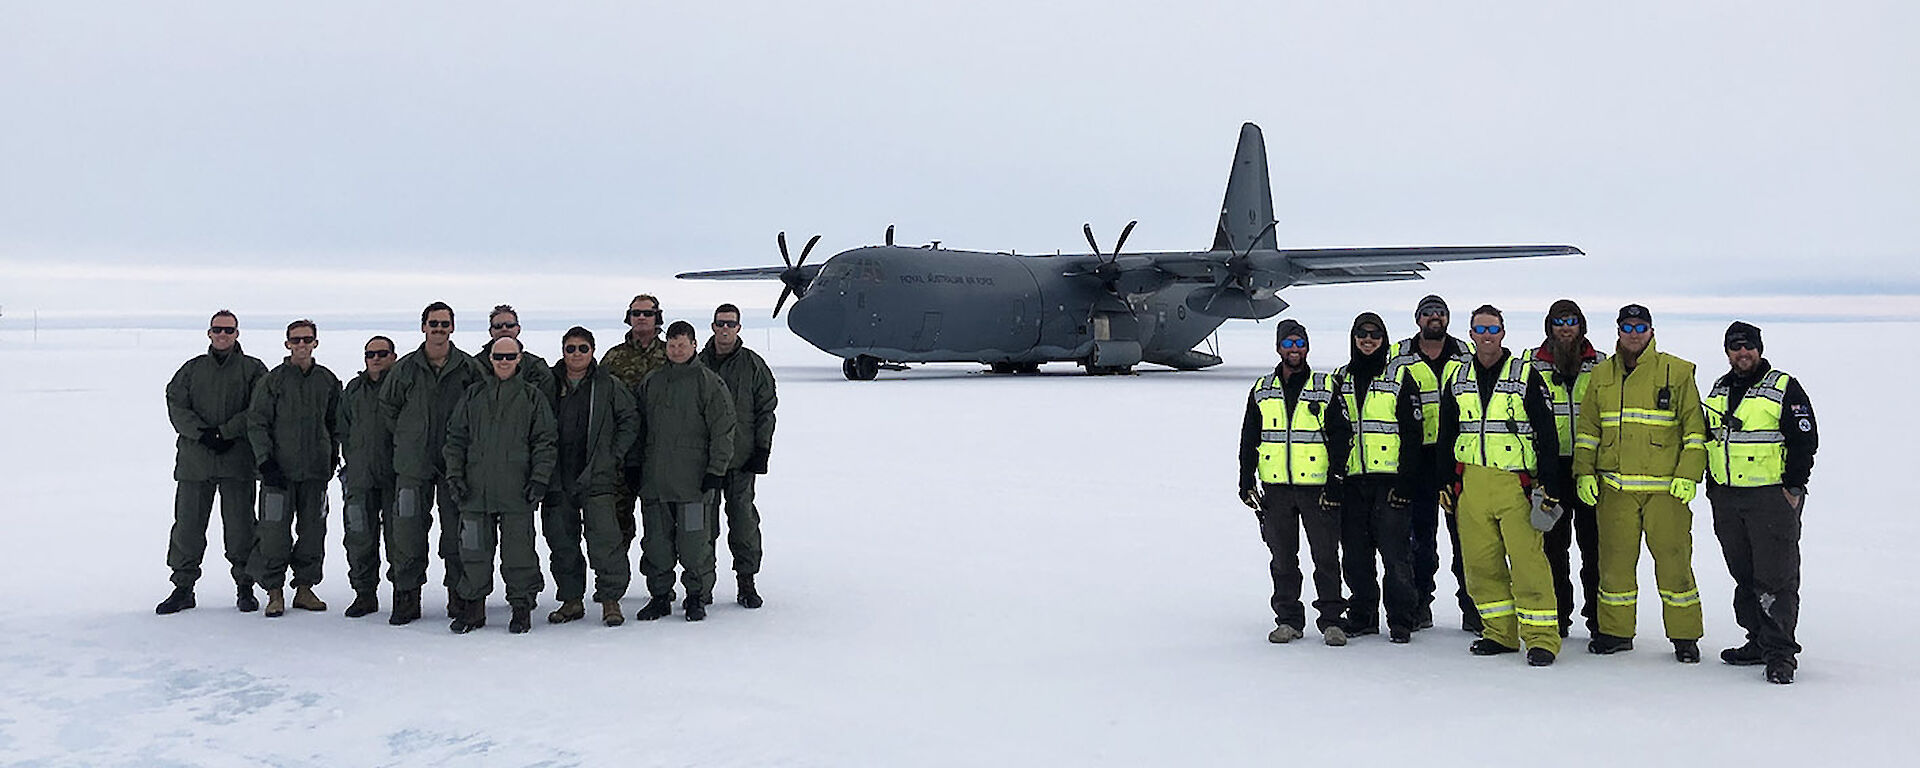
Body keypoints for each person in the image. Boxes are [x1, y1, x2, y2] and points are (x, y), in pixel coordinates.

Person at [1573, 304, 1708, 662]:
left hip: (1665, 492)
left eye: (1640, 327)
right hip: (1615, 491)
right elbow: (1588, 431)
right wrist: (1583, 472)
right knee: (1614, 567)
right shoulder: (1601, 375)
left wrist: (1688, 474)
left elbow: (1695, 431)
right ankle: (1615, 633)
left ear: (1651, 331)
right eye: (1627, 327)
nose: (1634, 333)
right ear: (1618, 331)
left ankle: (1685, 637)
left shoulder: (1677, 371)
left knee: (1675, 565)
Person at [1436, 306, 1566, 666]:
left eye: (1493, 329)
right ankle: (1499, 633)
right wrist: (1445, 480)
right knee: (1481, 565)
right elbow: (1447, 432)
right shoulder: (1457, 377)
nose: (1487, 335)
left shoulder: (1524, 374)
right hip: (1472, 485)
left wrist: (1550, 484)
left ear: (1503, 333)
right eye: (1480, 329)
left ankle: (1541, 639)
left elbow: (1546, 433)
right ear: (1471, 334)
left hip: (1516, 484)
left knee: (1528, 564)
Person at [1704, 321, 1818, 684]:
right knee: (1745, 574)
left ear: (1759, 349)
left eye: (1749, 346)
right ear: (1727, 352)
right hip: (1727, 498)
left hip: (1770, 498)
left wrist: (1794, 487)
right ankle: (1756, 640)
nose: (1743, 353)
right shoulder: (1720, 388)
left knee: (1776, 577)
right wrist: (1713, 486)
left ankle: (1780, 654)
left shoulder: (1783, 387)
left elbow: (1805, 439)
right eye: (1736, 347)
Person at [1237, 319, 1349, 646]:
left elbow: (1342, 437)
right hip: (1276, 489)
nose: (1294, 349)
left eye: (1299, 343)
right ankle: (1288, 619)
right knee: (1283, 558)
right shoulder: (1262, 389)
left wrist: (1336, 480)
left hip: (1317, 488)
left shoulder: (1324, 386)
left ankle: (1332, 621)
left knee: (1325, 557)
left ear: (1307, 347)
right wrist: (1246, 479)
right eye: (1288, 343)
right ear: (1278, 348)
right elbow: (1249, 438)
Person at [379, 301, 487, 625]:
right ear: (423, 327)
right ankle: (406, 597)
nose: (439, 329)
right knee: (407, 532)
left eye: (444, 323)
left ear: (452, 327)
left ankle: (459, 596)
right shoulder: (406, 369)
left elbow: (481, 408)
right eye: (433, 323)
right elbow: (389, 408)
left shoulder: (468, 368)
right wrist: (409, 436)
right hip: (413, 467)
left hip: (455, 467)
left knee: (456, 534)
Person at [444, 336, 558, 634]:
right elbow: (456, 438)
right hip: (475, 490)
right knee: (473, 551)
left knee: (519, 553)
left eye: (509, 356)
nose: (504, 362)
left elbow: (545, 442)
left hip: (516, 489)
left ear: (519, 358)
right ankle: (473, 608)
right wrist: (455, 476)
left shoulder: (532, 397)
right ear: (490, 359)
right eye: (498, 357)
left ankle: (521, 606)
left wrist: (539, 478)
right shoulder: (474, 395)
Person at [158, 310, 268, 615]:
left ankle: (245, 586)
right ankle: (183, 587)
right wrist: (202, 434)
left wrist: (226, 432)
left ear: (237, 333)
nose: (222, 335)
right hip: (196, 462)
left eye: (228, 330)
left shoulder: (253, 369)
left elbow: (259, 406)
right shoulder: (192, 369)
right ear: (209, 333)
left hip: (237, 461)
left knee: (241, 528)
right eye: (217, 329)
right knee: (188, 528)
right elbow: (176, 404)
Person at [1328, 312, 1425, 643]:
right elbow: (1331, 432)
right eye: (1362, 334)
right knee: (1356, 555)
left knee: (1396, 555)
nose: (1368, 340)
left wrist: (1406, 482)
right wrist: (1335, 479)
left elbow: (1413, 433)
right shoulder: (1340, 380)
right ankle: (1362, 616)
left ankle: (1401, 619)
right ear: (1353, 338)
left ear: (1384, 340)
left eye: (1375, 335)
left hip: (1390, 482)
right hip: (1353, 481)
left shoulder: (1399, 378)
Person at [632, 321, 736, 622]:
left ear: (693, 345)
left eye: (682, 344)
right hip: (656, 482)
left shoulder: (709, 383)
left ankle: (696, 596)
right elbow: (638, 428)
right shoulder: (653, 381)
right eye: (672, 345)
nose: (677, 350)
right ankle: (660, 596)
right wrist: (634, 465)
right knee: (657, 544)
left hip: (694, 485)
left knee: (694, 545)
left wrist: (716, 470)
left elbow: (723, 430)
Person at [540, 327, 641, 626]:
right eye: (570, 349)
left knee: (605, 541)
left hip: (597, 476)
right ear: (562, 352)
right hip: (558, 476)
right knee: (562, 542)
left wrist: (613, 455)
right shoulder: (548, 384)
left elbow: (629, 419)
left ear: (592, 351)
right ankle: (571, 600)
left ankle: (610, 600)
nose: (576, 354)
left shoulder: (607, 384)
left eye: (582, 348)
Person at [1518, 299, 1606, 638]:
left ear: (1581, 325)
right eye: (1559, 322)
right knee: (1553, 548)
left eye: (1571, 321)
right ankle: (1558, 616)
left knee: (1595, 549)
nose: (1565, 328)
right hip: (1548, 470)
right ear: (1549, 327)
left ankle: (1598, 618)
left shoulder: (1601, 364)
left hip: (1590, 470)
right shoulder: (1530, 365)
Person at [245, 319, 343, 617]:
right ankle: (274, 591)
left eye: (307, 339)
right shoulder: (273, 381)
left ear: (316, 342)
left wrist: (331, 455)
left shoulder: (327, 380)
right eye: (296, 340)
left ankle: (304, 588)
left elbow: (335, 422)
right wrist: (265, 461)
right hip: (278, 473)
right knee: (273, 533)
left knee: (313, 530)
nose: (302, 344)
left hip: (314, 472)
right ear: (287, 343)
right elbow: (257, 422)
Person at [1390, 295, 1476, 632]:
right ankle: (1419, 604)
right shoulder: (1399, 355)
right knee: (1420, 540)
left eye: (1440, 313)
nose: (1434, 318)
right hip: (1418, 458)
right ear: (1418, 319)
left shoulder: (1466, 353)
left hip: (1458, 458)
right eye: (1427, 313)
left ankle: (1472, 607)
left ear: (1448, 318)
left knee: (1466, 539)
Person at [697, 303, 778, 609]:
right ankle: (702, 586)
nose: (725, 328)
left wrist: (762, 449)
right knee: (703, 526)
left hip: (741, 459)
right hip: (704, 461)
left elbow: (766, 409)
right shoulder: (697, 364)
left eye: (730, 324)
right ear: (713, 326)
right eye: (720, 323)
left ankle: (747, 581)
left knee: (743, 521)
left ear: (739, 328)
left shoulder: (753, 365)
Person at [337, 335, 399, 618]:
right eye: (370, 354)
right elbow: (343, 428)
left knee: (400, 540)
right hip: (360, 477)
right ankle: (364, 593)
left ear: (393, 356)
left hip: (395, 476)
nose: (375, 359)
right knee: (359, 537)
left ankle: (404, 594)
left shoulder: (402, 386)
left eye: (382, 353)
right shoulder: (354, 389)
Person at [602, 294, 671, 550]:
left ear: (657, 317)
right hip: (622, 456)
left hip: (661, 455)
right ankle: (615, 574)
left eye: (647, 313)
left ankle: (660, 576)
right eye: (636, 313)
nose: (641, 317)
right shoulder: (613, 358)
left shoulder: (672, 354)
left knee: (660, 527)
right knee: (617, 525)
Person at [489, 304, 553, 392]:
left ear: (518, 329)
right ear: (491, 331)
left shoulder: (536, 366)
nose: (504, 329)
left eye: (510, 325)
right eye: (498, 326)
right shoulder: (477, 365)